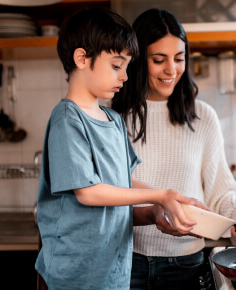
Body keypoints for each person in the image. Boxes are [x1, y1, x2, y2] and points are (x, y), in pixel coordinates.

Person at [35, 8, 207, 290]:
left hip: (113, 273)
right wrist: (161, 195)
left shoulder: (113, 120)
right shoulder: (67, 120)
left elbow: (123, 183)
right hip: (75, 275)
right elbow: (89, 193)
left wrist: (163, 206)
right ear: (82, 58)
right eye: (117, 66)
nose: (125, 76)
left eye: (127, 66)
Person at [111, 8, 236, 289]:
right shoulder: (115, 119)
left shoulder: (203, 118)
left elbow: (221, 190)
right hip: (126, 262)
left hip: (186, 265)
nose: (171, 70)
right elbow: (111, 194)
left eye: (179, 58)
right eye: (159, 60)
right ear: (139, 60)